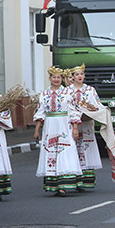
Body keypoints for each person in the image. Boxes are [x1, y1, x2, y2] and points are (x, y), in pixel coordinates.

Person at [33, 66, 83, 197]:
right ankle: (54, 185)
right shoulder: (44, 94)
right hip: (50, 125)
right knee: (51, 151)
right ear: (50, 78)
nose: (56, 79)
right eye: (54, 77)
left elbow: (74, 111)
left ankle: (63, 185)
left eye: (59, 77)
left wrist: (75, 129)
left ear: (62, 78)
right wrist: (37, 130)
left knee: (65, 150)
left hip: (64, 124)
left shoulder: (68, 93)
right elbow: (40, 113)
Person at [67, 63, 102, 191]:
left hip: (87, 124)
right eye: (77, 74)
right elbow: (66, 107)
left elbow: (97, 104)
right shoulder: (68, 91)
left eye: (81, 74)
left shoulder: (90, 90)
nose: (79, 76)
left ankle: (85, 180)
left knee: (85, 149)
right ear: (73, 77)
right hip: (72, 124)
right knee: (74, 149)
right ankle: (75, 179)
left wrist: (93, 110)